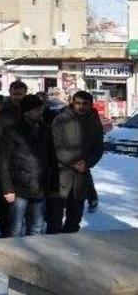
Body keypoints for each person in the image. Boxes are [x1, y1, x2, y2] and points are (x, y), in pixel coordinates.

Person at [47, 91, 104, 234]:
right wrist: (71, 162)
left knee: (75, 217)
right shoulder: (61, 119)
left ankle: (70, 246)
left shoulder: (94, 122)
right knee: (55, 217)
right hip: (60, 173)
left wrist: (87, 163)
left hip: (81, 174)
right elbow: (54, 145)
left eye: (86, 104)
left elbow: (98, 147)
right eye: (78, 103)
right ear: (72, 103)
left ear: (91, 105)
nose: (81, 106)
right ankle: (53, 248)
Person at [0, 95, 51, 238]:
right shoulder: (12, 130)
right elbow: (4, 161)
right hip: (18, 188)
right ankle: (14, 259)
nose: (41, 112)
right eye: (37, 109)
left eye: (42, 108)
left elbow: (50, 159)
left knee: (37, 228)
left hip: (39, 186)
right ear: (27, 111)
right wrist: (7, 189)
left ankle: (33, 259)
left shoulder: (45, 130)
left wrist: (53, 186)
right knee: (15, 228)